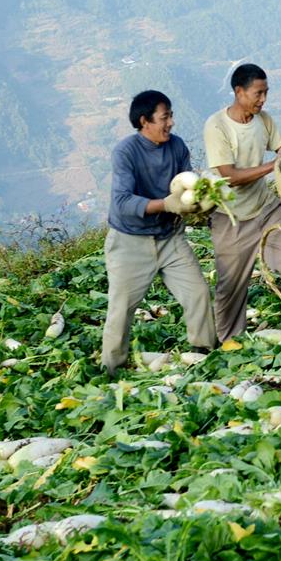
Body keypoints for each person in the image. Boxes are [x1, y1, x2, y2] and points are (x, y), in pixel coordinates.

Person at [100, 90, 217, 376]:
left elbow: (187, 186)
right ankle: (111, 368)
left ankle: (203, 353)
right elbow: (122, 202)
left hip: (170, 237)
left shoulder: (176, 147)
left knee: (198, 293)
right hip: (130, 243)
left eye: (171, 116)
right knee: (122, 308)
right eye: (165, 117)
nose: (171, 123)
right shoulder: (126, 152)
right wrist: (166, 203)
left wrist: (201, 203)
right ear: (144, 121)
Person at [202, 63, 281, 337]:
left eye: (266, 93)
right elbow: (229, 176)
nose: (263, 100)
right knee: (231, 287)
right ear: (239, 92)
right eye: (258, 94)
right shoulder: (217, 126)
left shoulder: (263, 120)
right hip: (231, 218)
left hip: (265, 208)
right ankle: (227, 341)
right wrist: (271, 166)